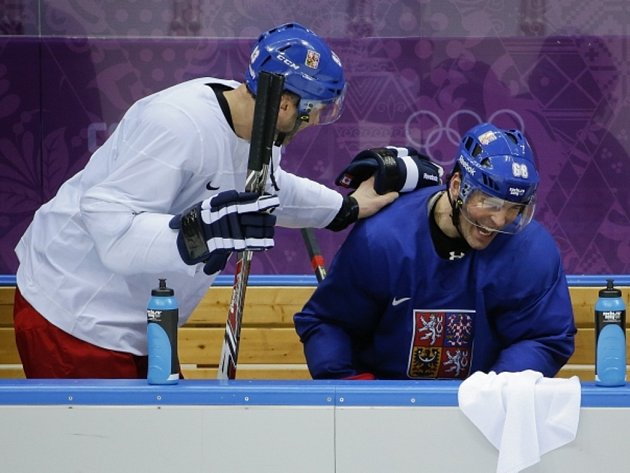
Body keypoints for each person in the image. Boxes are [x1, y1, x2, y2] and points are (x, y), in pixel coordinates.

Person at [13, 22, 413, 379]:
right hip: (75, 311)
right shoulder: (176, 125)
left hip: (142, 322)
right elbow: (110, 227)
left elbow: (265, 189)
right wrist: (200, 233)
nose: (312, 124)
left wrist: (344, 209)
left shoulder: (260, 125)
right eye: (315, 113)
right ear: (287, 104)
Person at [294, 122, 577, 380]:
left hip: (483, 415)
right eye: (489, 203)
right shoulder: (382, 239)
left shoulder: (530, 250)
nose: (500, 220)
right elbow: (329, 323)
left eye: (515, 209)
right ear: (457, 187)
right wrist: (348, 388)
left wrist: (499, 392)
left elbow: (545, 337)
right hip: (386, 408)